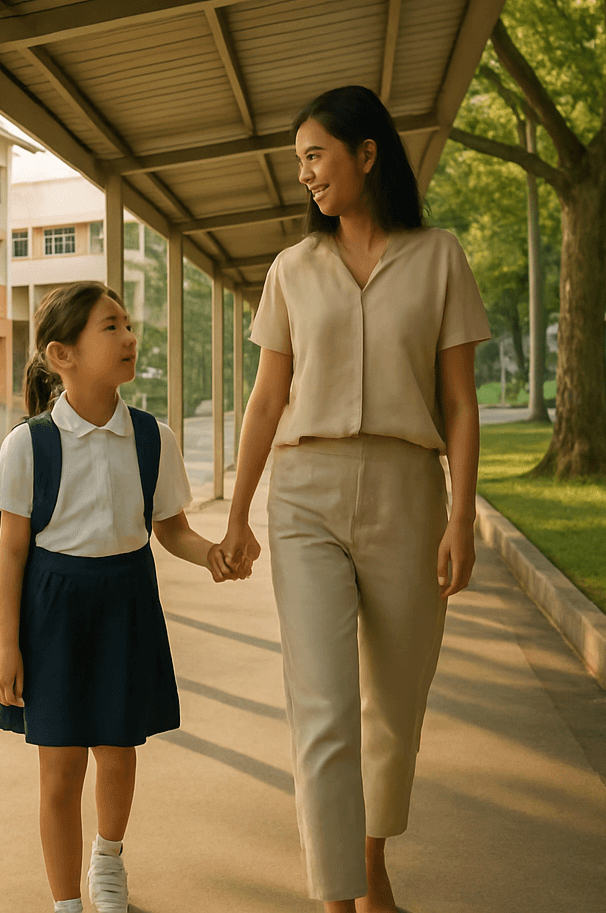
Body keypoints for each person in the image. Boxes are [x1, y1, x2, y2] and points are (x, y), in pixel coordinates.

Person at [220, 85, 492, 913]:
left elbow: (459, 403)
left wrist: (461, 518)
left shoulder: (440, 256)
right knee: (325, 706)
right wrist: (236, 515)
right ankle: (338, 900)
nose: (303, 173)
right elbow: (267, 400)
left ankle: (371, 870)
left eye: (315, 154)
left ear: (366, 154)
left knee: (393, 707)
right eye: (298, 159)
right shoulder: (292, 270)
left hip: (409, 495)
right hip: (305, 496)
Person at [0, 281, 242, 913]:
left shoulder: (153, 437)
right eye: (110, 327)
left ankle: (108, 858)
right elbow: (9, 552)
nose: (130, 337)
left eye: (128, 324)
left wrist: (208, 551)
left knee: (119, 753)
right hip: (53, 613)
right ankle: (66, 903)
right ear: (60, 354)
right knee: (60, 769)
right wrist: (7, 646)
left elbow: (170, 529)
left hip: (126, 603)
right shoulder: (29, 443)